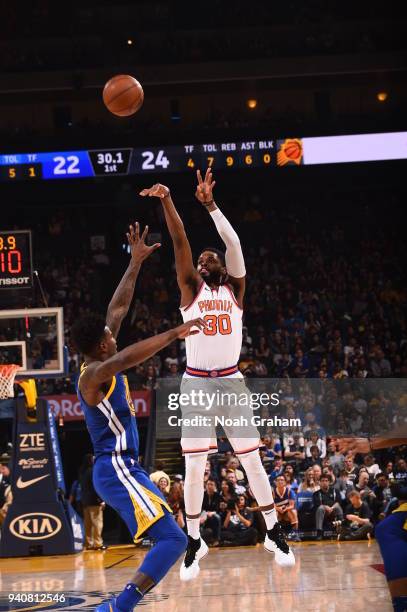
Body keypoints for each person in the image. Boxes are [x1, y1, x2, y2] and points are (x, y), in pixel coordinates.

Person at [140, 171, 294, 579]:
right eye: (203, 259)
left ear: (223, 267)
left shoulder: (235, 291)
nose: (206, 261)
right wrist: (169, 200)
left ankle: (274, 532)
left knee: (252, 462)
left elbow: (235, 243)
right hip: (196, 383)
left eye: (212, 259)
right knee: (194, 468)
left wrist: (210, 205)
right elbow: (179, 242)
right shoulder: (190, 287)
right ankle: (194, 540)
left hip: (230, 381)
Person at [71, 222, 206, 611]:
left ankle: (117, 607)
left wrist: (135, 263)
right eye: (110, 337)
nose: (115, 334)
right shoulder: (94, 375)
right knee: (174, 539)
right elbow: (130, 355)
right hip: (115, 467)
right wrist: (173, 333)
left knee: (173, 539)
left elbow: (117, 308)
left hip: (126, 467)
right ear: (101, 346)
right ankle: (117, 607)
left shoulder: (100, 354)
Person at [79, 454, 106, 550]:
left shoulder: (82, 472)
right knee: (97, 523)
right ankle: (98, 544)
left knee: (88, 524)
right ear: (90, 461)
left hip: (85, 501)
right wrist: (101, 500)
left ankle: (88, 544)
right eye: (93, 459)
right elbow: (95, 487)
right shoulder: (93, 471)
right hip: (94, 501)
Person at [313, 474, 343, 540]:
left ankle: (342, 529)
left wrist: (331, 508)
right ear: (319, 482)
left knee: (338, 507)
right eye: (322, 481)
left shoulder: (335, 491)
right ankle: (319, 532)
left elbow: (339, 502)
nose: (324, 482)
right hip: (324, 513)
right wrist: (326, 507)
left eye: (326, 481)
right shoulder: (316, 494)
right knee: (320, 508)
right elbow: (317, 505)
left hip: (333, 510)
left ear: (329, 482)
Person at [273, 474, 300, 541]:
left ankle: (295, 534)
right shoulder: (273, 492)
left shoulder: (289, 491)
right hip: (278, 512)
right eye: (278, 480)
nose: (280, 482)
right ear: (275, 482)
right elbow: (272, 505)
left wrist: (285, 509)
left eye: (282, 480)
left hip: (287, 512)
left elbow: (292, 505)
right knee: (273, 513)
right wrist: (278, 509)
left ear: (285, 482)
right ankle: (275, 535)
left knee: (293, 511)